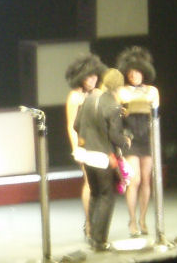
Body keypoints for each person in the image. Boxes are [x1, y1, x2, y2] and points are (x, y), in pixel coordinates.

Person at [73, 67, 131, 252]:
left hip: (86, 155)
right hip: (104, 158)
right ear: (119, 86)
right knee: (106, 197)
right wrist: (126, 141)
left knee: (95, 195)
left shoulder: (89, 99)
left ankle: (92, 235)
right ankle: (100, 241)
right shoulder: (113, 106)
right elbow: (114, 136)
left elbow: (76, 125)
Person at [117, 46, 159, 237]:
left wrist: (139, 99)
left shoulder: (152, 90)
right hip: (131, 139)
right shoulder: (122, 91)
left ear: (144, 72)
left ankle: (142, 219)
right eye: (131, 72)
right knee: (135, 180)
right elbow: (121, 107)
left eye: (137, 72)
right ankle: (132, 220)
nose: (134, 75)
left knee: (146, 180)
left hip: (147, 138)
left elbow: (155, 108)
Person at [64, 53, 107, 241]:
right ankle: (89, 223)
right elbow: (70, 125)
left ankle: (98, 223)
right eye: (89, 76)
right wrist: (76, 149)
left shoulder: (99, 94)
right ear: (81, 77)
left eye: (95, 75)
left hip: (101, 144)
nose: (93, 79)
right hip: (85, 145)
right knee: (90, 183)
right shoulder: (74, 97)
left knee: (102, 186)